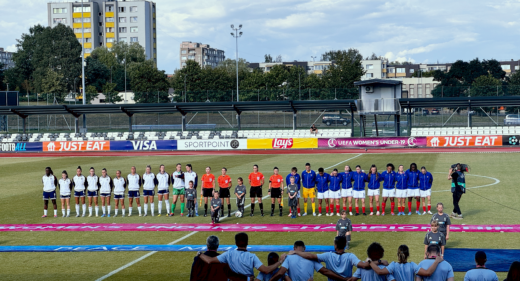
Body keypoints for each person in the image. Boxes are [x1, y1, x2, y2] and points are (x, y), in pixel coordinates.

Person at [199, 232, 284, 278]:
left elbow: (209, 260)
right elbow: (266, 270)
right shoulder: (252, 256)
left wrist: (200, 254)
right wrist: (280, 261)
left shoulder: (229, 254)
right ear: (247, 243)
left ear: (236, 243)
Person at [290, 236, 369, 280]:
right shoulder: (350, 256)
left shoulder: (328, 255)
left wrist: (296, 252)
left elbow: (310, 256)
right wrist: (374, 261)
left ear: (335, 245)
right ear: (345, 244)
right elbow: (362, 265)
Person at [270, 240, 348, 281]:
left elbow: (280, 273)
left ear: (294, 249)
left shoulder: (288, 258)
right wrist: (343, 279)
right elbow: (325, 272)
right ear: (305, 248)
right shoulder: (311, 258)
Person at [369, 244, 442, 280]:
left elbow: (379, 271)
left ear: (398, 255)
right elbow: (428, 273)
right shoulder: (412, 265)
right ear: (408, 255)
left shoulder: (393, 265)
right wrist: (436, 261)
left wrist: (370, 262)